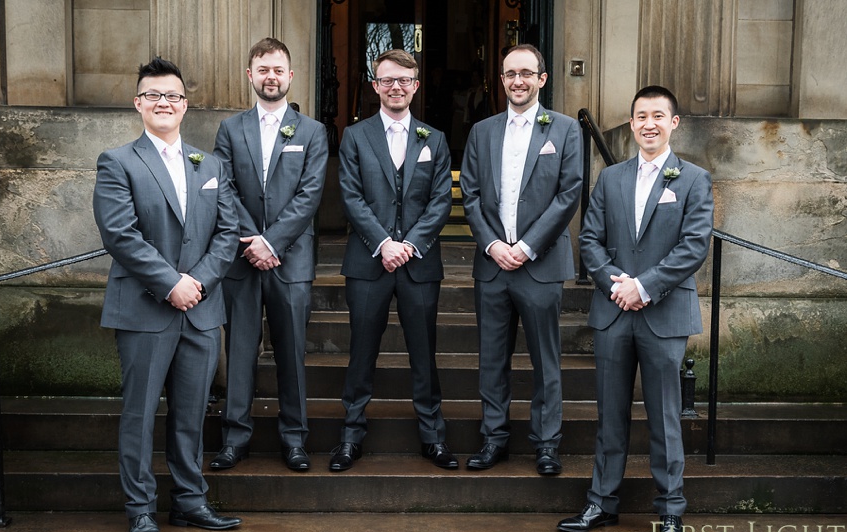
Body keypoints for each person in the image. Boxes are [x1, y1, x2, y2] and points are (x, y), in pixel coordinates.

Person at [92, 56, 241, 532]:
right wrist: (170, 283)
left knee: (192, 412)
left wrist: (196, 282)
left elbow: (227, 233)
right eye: (154, 95)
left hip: (200, 310)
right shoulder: (118, 162)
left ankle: (190, 501)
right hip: (144, 308)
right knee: (139, 414)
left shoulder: (210, 163)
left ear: (185, 104)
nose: (164, 103)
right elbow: (121, 234)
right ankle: (140, 509)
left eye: (173, 96)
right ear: (139, 103)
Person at [558, 85, 713, 532]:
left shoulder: (693, 179)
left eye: (658, 116)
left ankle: (670, 513)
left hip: (664, 315)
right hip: (613, 311)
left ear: (673, 123)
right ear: (631, 124)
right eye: (640, 116)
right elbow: (589, 240)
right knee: (610, 415)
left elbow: (693, 247)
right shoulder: (611, 178)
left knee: (665, 417)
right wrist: (615, 285)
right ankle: (601, 503)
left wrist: (643, 286)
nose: (649, 123)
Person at [460, 44, 583, 476]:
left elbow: (569, 195)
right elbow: (471, 194)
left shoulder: (566, 130)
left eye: (526, 73)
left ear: (542, 79)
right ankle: (494, 438)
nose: (518, 81)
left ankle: (547, 443)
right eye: (510, 73)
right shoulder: (482, 131)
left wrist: (527, 246)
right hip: (492, 265)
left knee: (545, 360)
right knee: (492, 358)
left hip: (541, 264)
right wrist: (494, 245)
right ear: (502, 79)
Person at [331, 49, 455, 471]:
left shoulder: (434, 139)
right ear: (375, 86)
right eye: (387, 80)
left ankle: (433, 437)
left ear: (415, 85)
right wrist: (384, 243)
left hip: (419, 266)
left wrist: (410, 245)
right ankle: (350, 436)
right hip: (368, 263)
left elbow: (440, 202)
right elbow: (350, 195)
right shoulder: (355, 136)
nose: (396, 87)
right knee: (361, 353)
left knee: (425, 354)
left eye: (403, 80)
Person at [210, 38, 327, 472]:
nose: (271, 77)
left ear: (290, 76)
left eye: (278, 69)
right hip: (242, 258)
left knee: (291, 351)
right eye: (263, 70)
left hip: (290, 260)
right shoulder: (230, 129)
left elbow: (309, 194)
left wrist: (272, 242)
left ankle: (294, 438)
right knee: (239, 350)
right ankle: (234, 437)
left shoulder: (312, 132)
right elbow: (224, 188)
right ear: (250, 75)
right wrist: (251, 240)